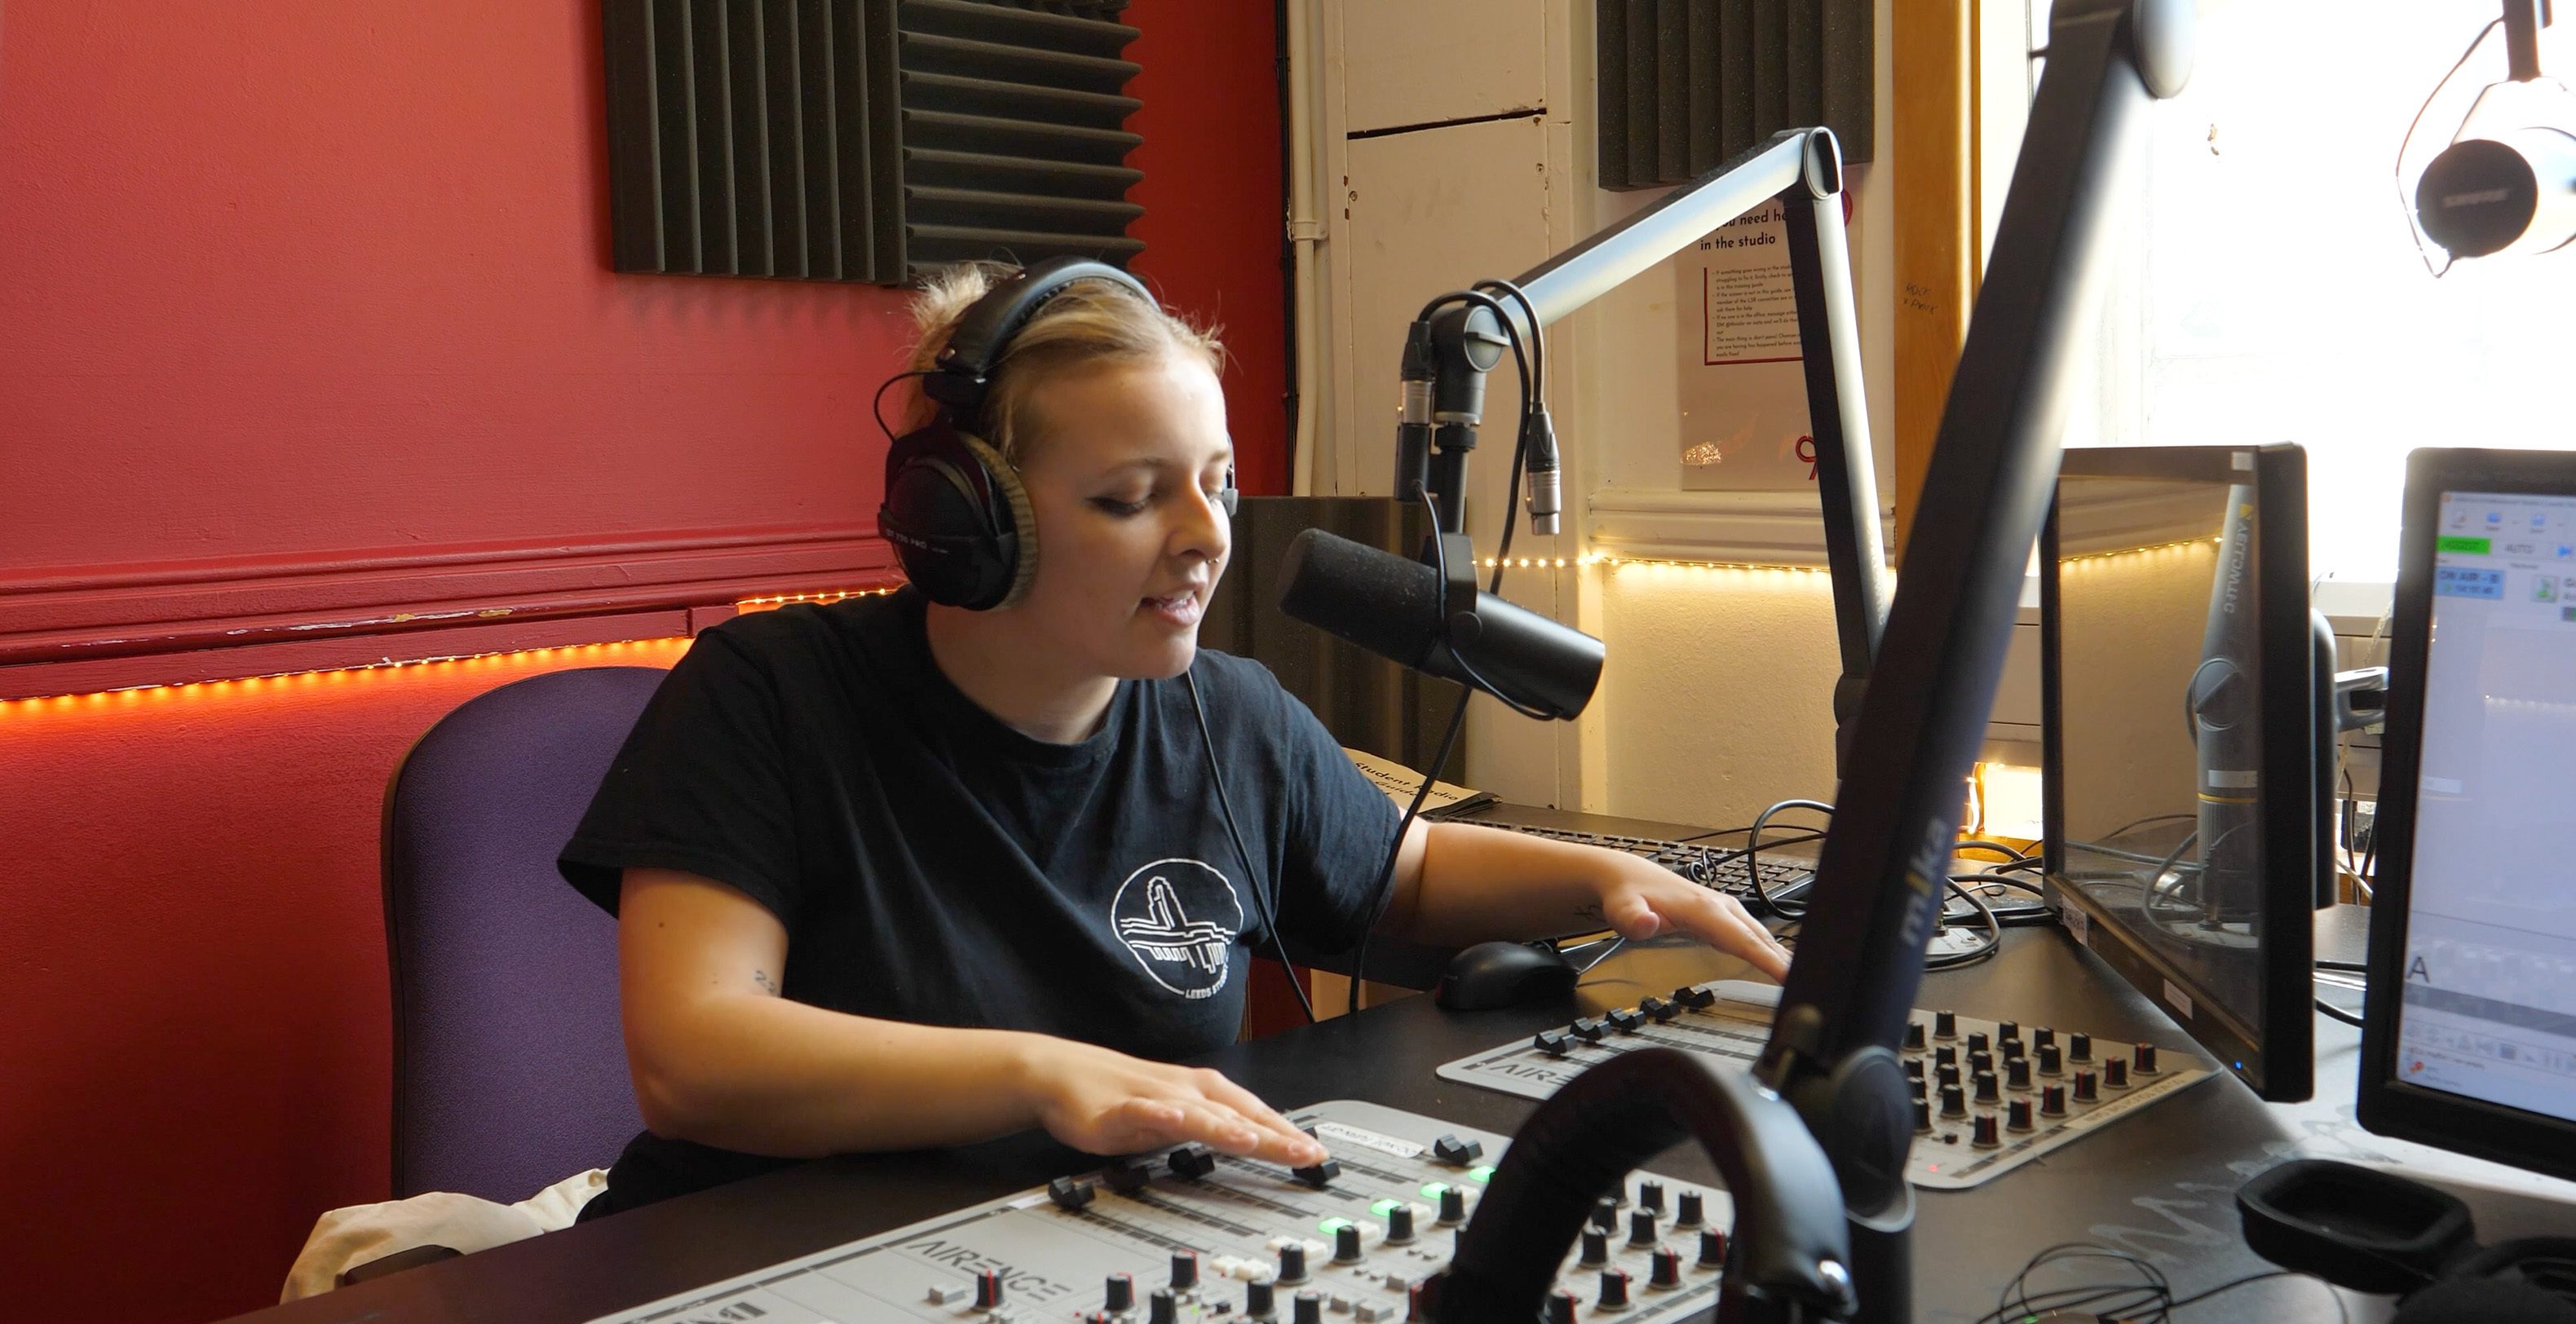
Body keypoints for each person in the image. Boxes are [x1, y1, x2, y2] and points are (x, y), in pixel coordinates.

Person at [558, 260, 1792, 1220]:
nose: (1207, 537)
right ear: (964, 522)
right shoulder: (772, 697)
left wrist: (1608, 881)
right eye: (1129, 497)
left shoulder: (1229, 713)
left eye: (1221, 481)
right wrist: (1047, 1075)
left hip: (1084, 1241)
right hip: (749, 1251)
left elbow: (1399, 874)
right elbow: (695, 1055)